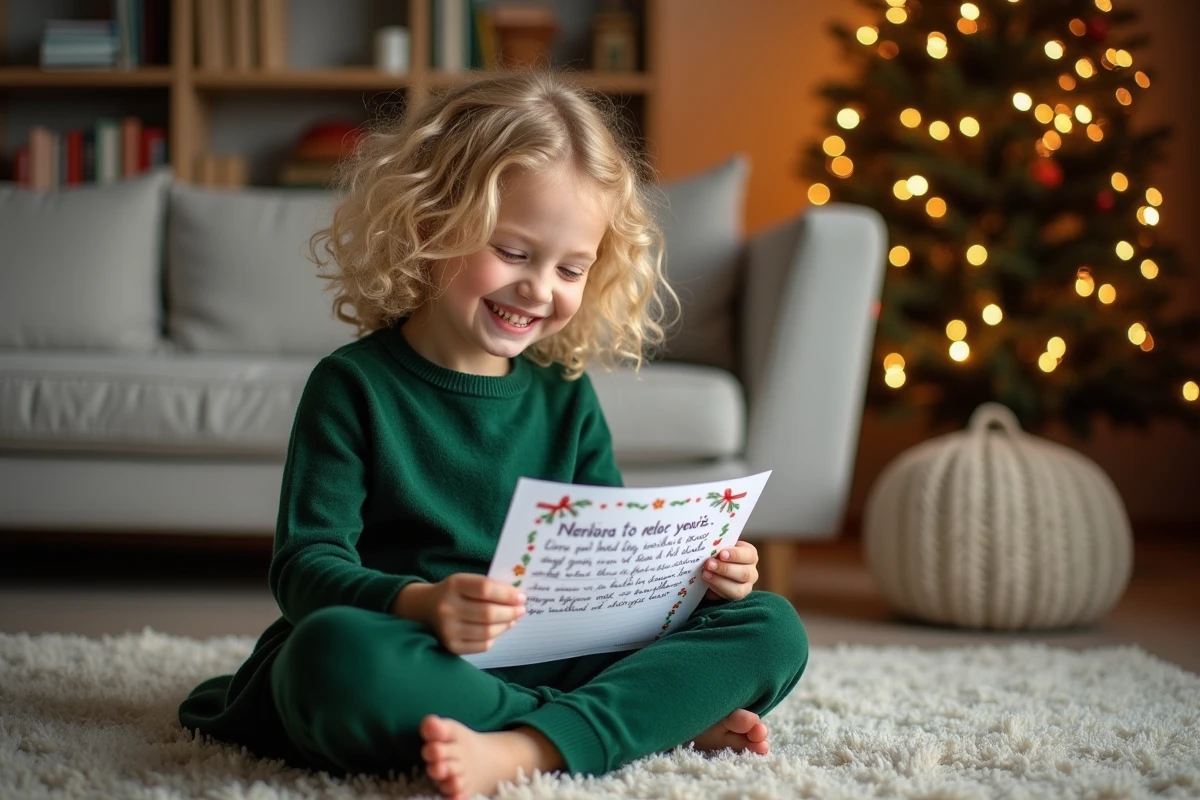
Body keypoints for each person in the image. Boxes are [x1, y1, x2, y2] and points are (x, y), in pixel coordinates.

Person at [178, 70, 808, 800]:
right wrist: (422, 602)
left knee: (771, 626)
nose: (541, 288)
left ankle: (524, 744)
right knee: (331, 660)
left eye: (571, 268)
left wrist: (703, 578)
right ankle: (617, 726)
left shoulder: (564, 394)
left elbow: (608, 575)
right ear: (430, 222)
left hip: (553, 654)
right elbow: (304, 570)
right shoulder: (353, 386)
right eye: (513, 252)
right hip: (414, 649)